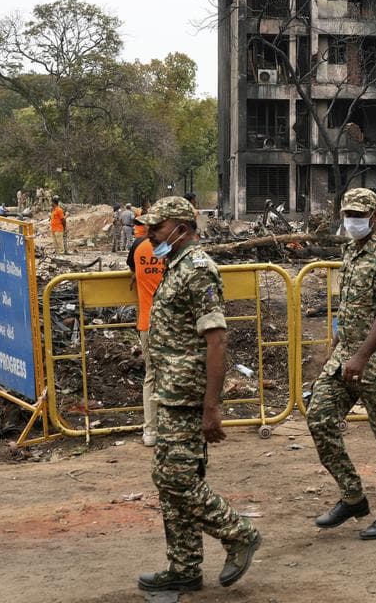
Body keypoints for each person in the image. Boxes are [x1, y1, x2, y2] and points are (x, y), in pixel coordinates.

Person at [134, 196, 261, 592]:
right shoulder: (176, 265)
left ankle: (238, 531)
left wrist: (212, 407)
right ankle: (184, 566)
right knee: (174, 480)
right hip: (171, 392)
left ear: (182, 228)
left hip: (188, 395)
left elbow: (217, 339)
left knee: (173, 479)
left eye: (158, 226)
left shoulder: (198, 269)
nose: (151, 233)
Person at [307, 187, 376, 540]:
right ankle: (352, 495)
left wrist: (362, 356)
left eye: (358, 216)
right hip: (345, 357)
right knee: (319, 416)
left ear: (375, 217)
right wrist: (335, 348)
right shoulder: (350, 251)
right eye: (347, 215)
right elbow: (349, 308)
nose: (351, 221)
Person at [128, 228, 166, 446]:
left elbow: (132, 266)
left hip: (147, 323)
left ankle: (150, 431)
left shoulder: (138, 246)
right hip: (172, 323)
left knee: (151, 375)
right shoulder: (170, 249)